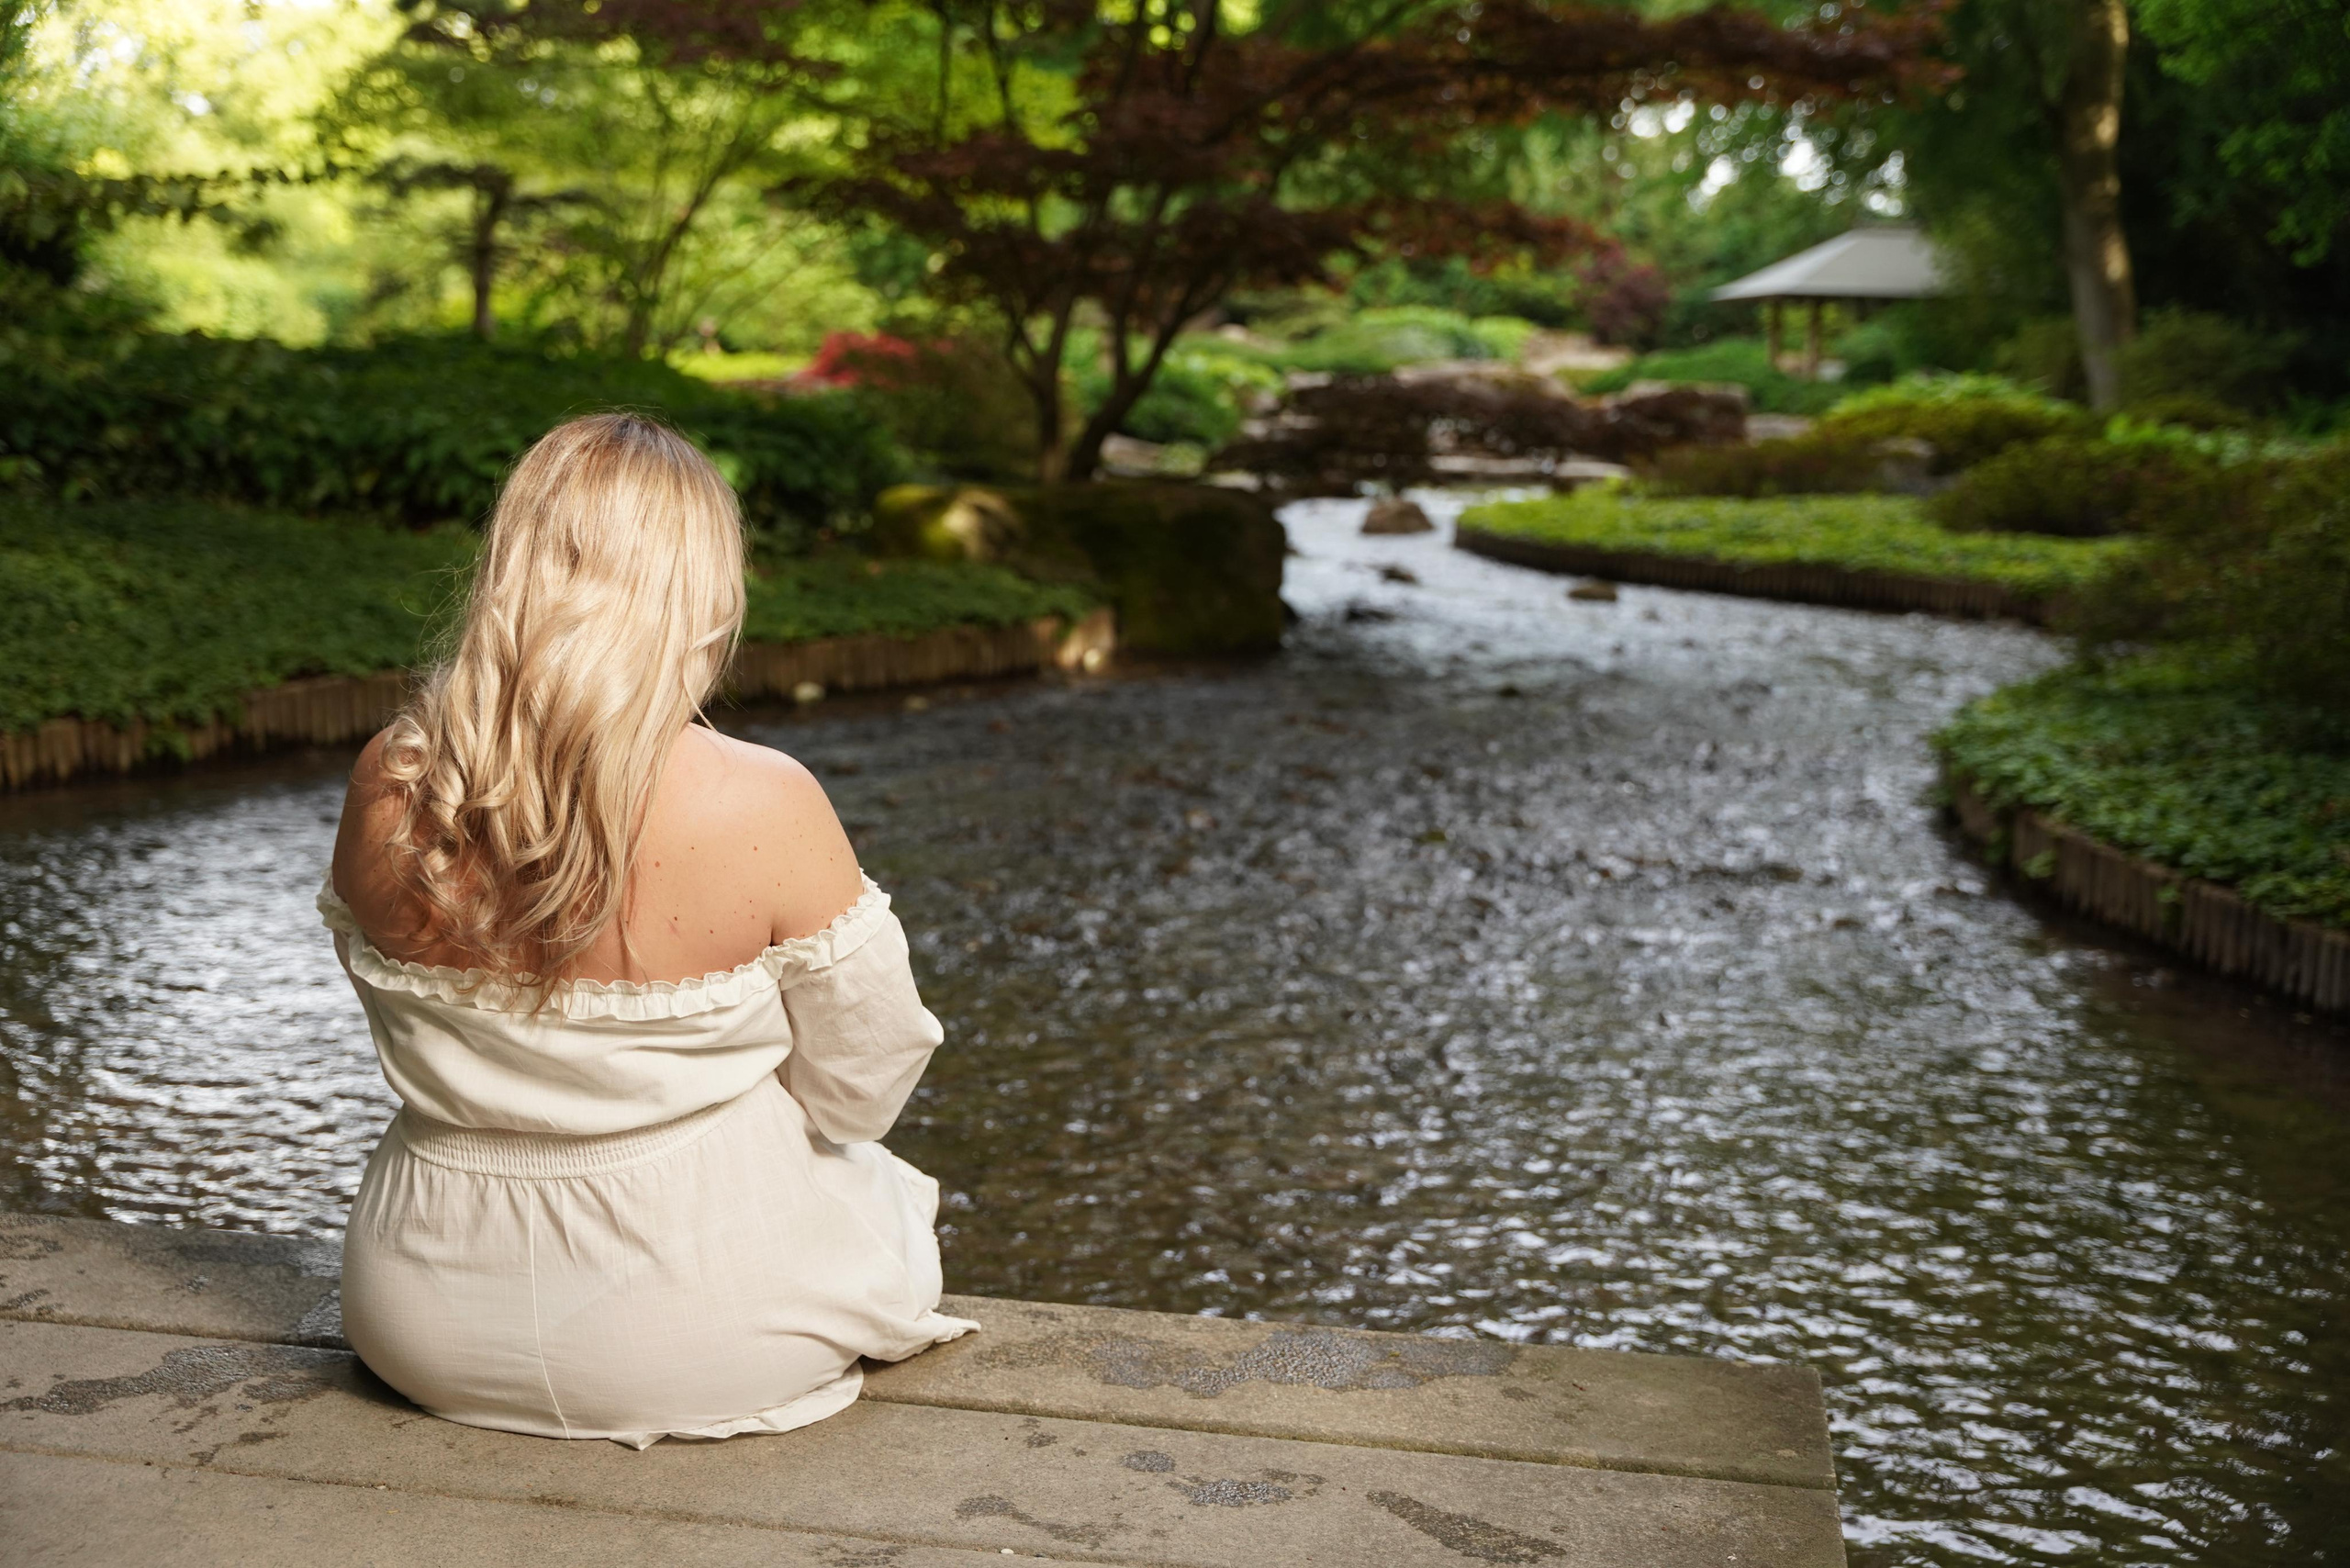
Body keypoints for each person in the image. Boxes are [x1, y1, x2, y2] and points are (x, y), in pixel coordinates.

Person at [321, 413, 975, 1448]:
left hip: (418, 1313)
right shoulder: (762, 798)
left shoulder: (392, 782)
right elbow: (864, 1078)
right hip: (699, 1325)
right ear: (702, 596)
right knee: (877, 1195)